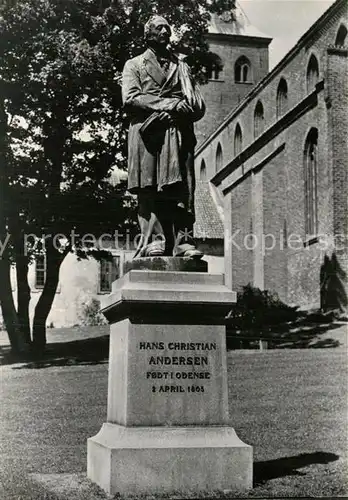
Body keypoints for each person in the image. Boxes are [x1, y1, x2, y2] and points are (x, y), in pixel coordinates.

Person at [122, 15, 205, 258]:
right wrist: (169, 104)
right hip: (148, 134)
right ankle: (155, 239)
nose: (166, 32)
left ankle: (183, 240)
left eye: (168, 29)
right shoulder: (134, 64)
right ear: (148, 35)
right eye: (160, 28)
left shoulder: (182, 66)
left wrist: (185, 108)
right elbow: (131, 97)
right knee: (150, 188)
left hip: (179, 133)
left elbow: (195, 101)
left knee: (183, 188)